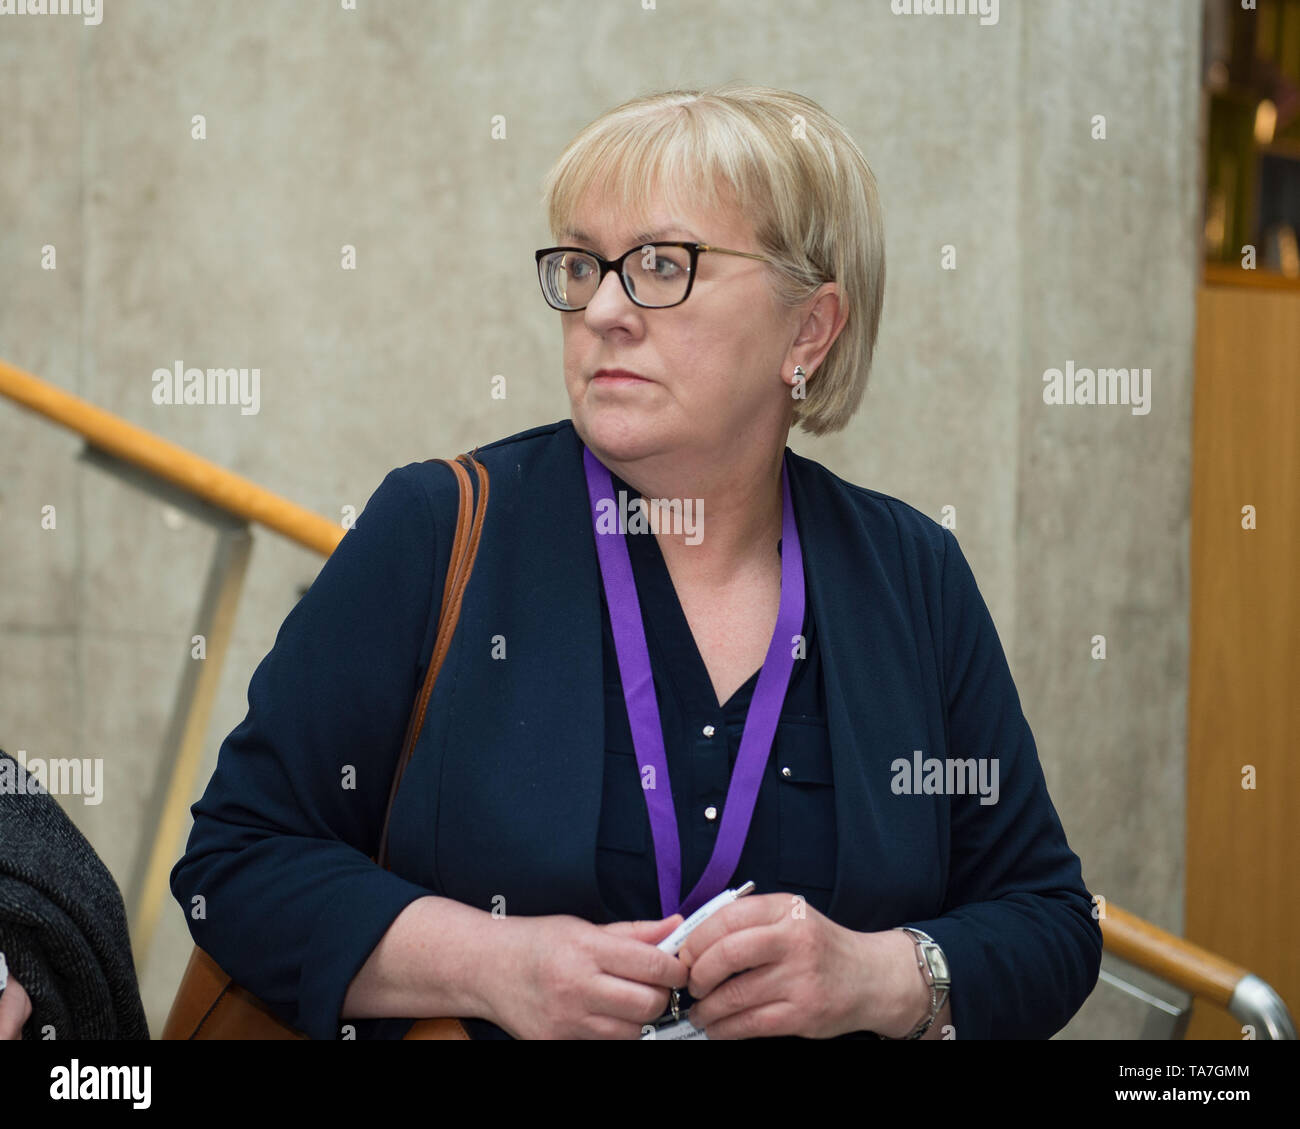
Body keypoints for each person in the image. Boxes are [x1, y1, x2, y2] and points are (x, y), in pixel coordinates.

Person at [171, 83, 1102, 1040]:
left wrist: (881, 975)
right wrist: (495, 965)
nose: (605, 309)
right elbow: (234, 863)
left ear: (808, 329)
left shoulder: (912, 575)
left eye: (663, 263)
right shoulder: (440, 527)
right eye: (583, 264)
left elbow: (1050, 919)